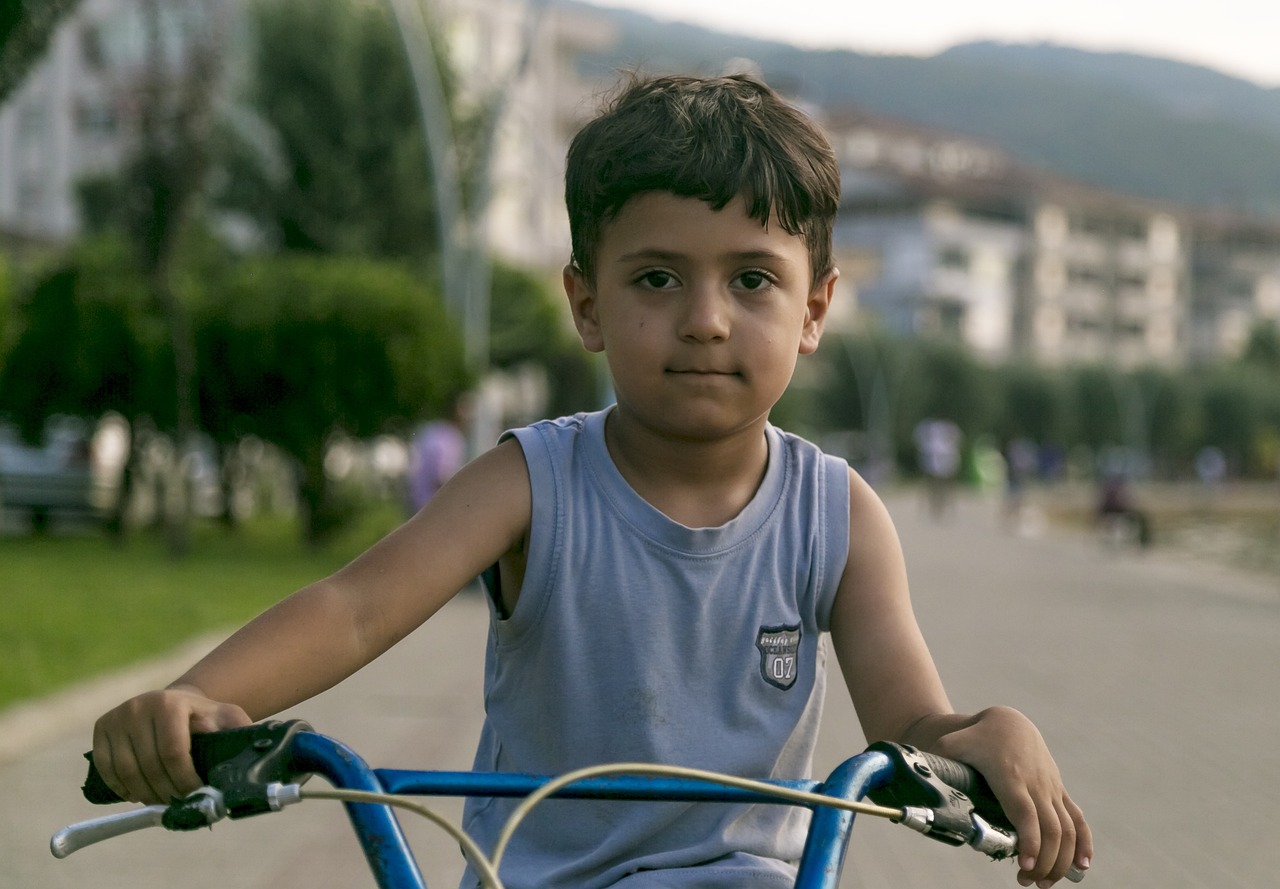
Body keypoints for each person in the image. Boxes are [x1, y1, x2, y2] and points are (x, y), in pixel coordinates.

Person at [91, 73, 1091, 889]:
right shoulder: (531, 481)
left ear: (815, 308)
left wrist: (988, 733)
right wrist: (194, 699)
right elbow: (353, 610)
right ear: (586, 304)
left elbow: (909, 730)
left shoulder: (837, 515)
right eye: (656, 277)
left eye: (751, 279)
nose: (703, 318)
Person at [405, 394, 473, 515]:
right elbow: (441, 477)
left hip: (416, 504)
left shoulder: (432, 429)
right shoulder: (451, 437)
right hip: (432, 509)